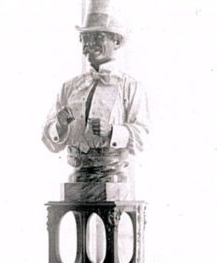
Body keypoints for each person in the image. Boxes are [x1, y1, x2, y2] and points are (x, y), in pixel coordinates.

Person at [41, 0, 148, 183]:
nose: (90, 45)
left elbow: (141, 136)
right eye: (85, 38)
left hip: (113, 179)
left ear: (116, 41)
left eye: (98, 37)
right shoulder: (70, 87)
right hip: (76, 178)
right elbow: (47, 135)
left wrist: (113, 131)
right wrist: (60, 127)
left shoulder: (130, 87)